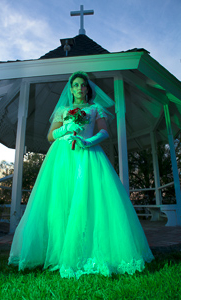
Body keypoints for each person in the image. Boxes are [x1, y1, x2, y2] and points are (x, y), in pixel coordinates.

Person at [8, 71, 154, 279]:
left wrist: (88, 141)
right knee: (60, 201)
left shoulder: (96, 109)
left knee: (91, 201)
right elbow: (50, 136)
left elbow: (104, 132)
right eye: (75, 85)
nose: (79, 88)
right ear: (71, 89)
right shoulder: (63, 109)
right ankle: (57, 253)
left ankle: (90, 251)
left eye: (82, 85)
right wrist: (65, 128)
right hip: (62, 157)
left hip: (88, 154)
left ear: (87, 88)